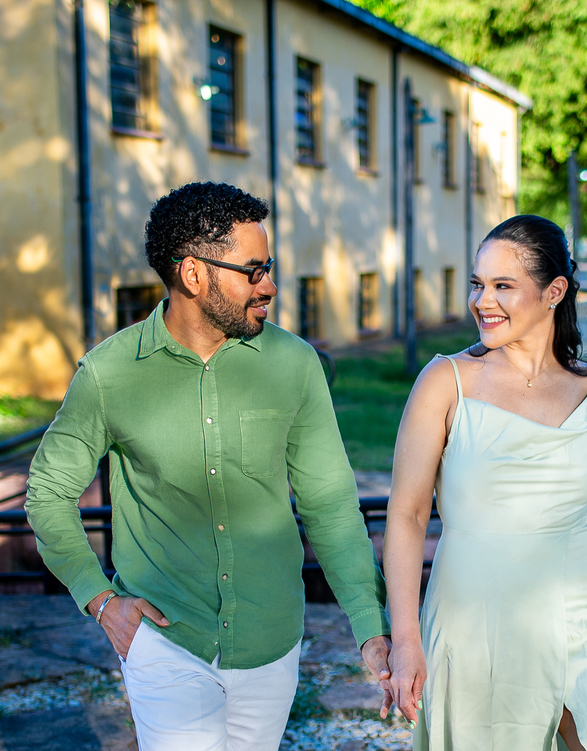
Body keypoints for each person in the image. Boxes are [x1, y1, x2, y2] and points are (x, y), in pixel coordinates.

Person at [25, 182, 392, 750]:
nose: (269, 284)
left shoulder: (294, 364)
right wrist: (100, 599)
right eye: (252, 270)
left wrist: (370, 627)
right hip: (167, 641)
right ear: (193, 275)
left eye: (268, 266)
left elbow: (330, 503)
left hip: (271, 643)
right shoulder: (109, 373)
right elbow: (47, 492)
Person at [382, 214, 587, 750]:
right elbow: (406, 516)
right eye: (477, 284)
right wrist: (405, 639)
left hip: (584, 608)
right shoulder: (445, 382)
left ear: (554, 292)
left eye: (502, 286)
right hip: (476, 615)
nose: (482, 301)